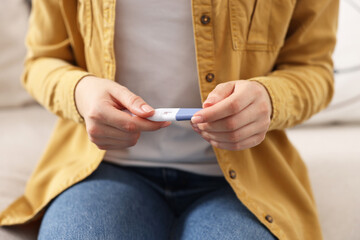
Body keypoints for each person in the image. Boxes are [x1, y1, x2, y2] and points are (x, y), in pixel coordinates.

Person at [0, 0, 339, 239]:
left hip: (242, 181)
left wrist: (270, 98)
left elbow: (314, 69)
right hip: (104, 171)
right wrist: (81, 91)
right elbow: (42, 61)